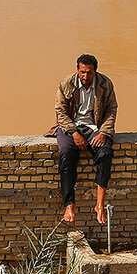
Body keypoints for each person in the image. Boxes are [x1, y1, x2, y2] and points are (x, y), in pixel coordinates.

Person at [46, 54, 118, 224]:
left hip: (95, 127)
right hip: (70, 127)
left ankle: (99, 204)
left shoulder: (105, 85)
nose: (85, 77)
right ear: (77, 70)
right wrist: (74, 133)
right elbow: (60, 112)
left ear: (95, 72)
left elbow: (111, 110)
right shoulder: (66, 84)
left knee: (105, 153)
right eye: (82, 72)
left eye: (89, 73)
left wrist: (104, 132)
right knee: (66, 154)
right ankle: (69, 204)